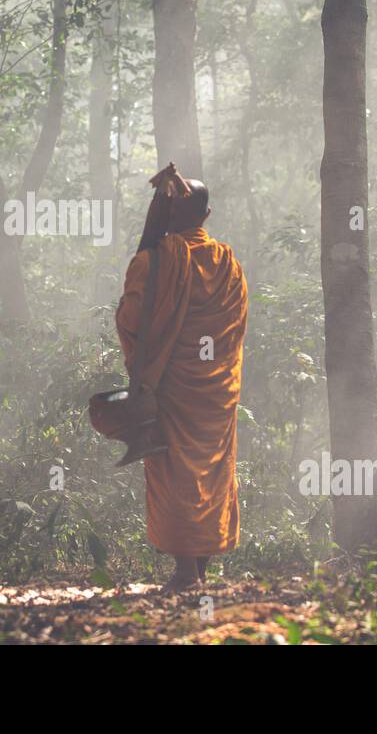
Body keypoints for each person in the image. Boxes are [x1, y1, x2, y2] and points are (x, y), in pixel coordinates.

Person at [114, 165, 248, 592]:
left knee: (176, 471)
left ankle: (186, 571)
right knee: (210, 471)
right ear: (206, 215)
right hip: (217, 389)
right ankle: (199, 570)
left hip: (171, 388)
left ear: (167, 213)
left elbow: (132, 319)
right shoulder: (229, 264)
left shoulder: (155, 260)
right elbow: (236, 326)